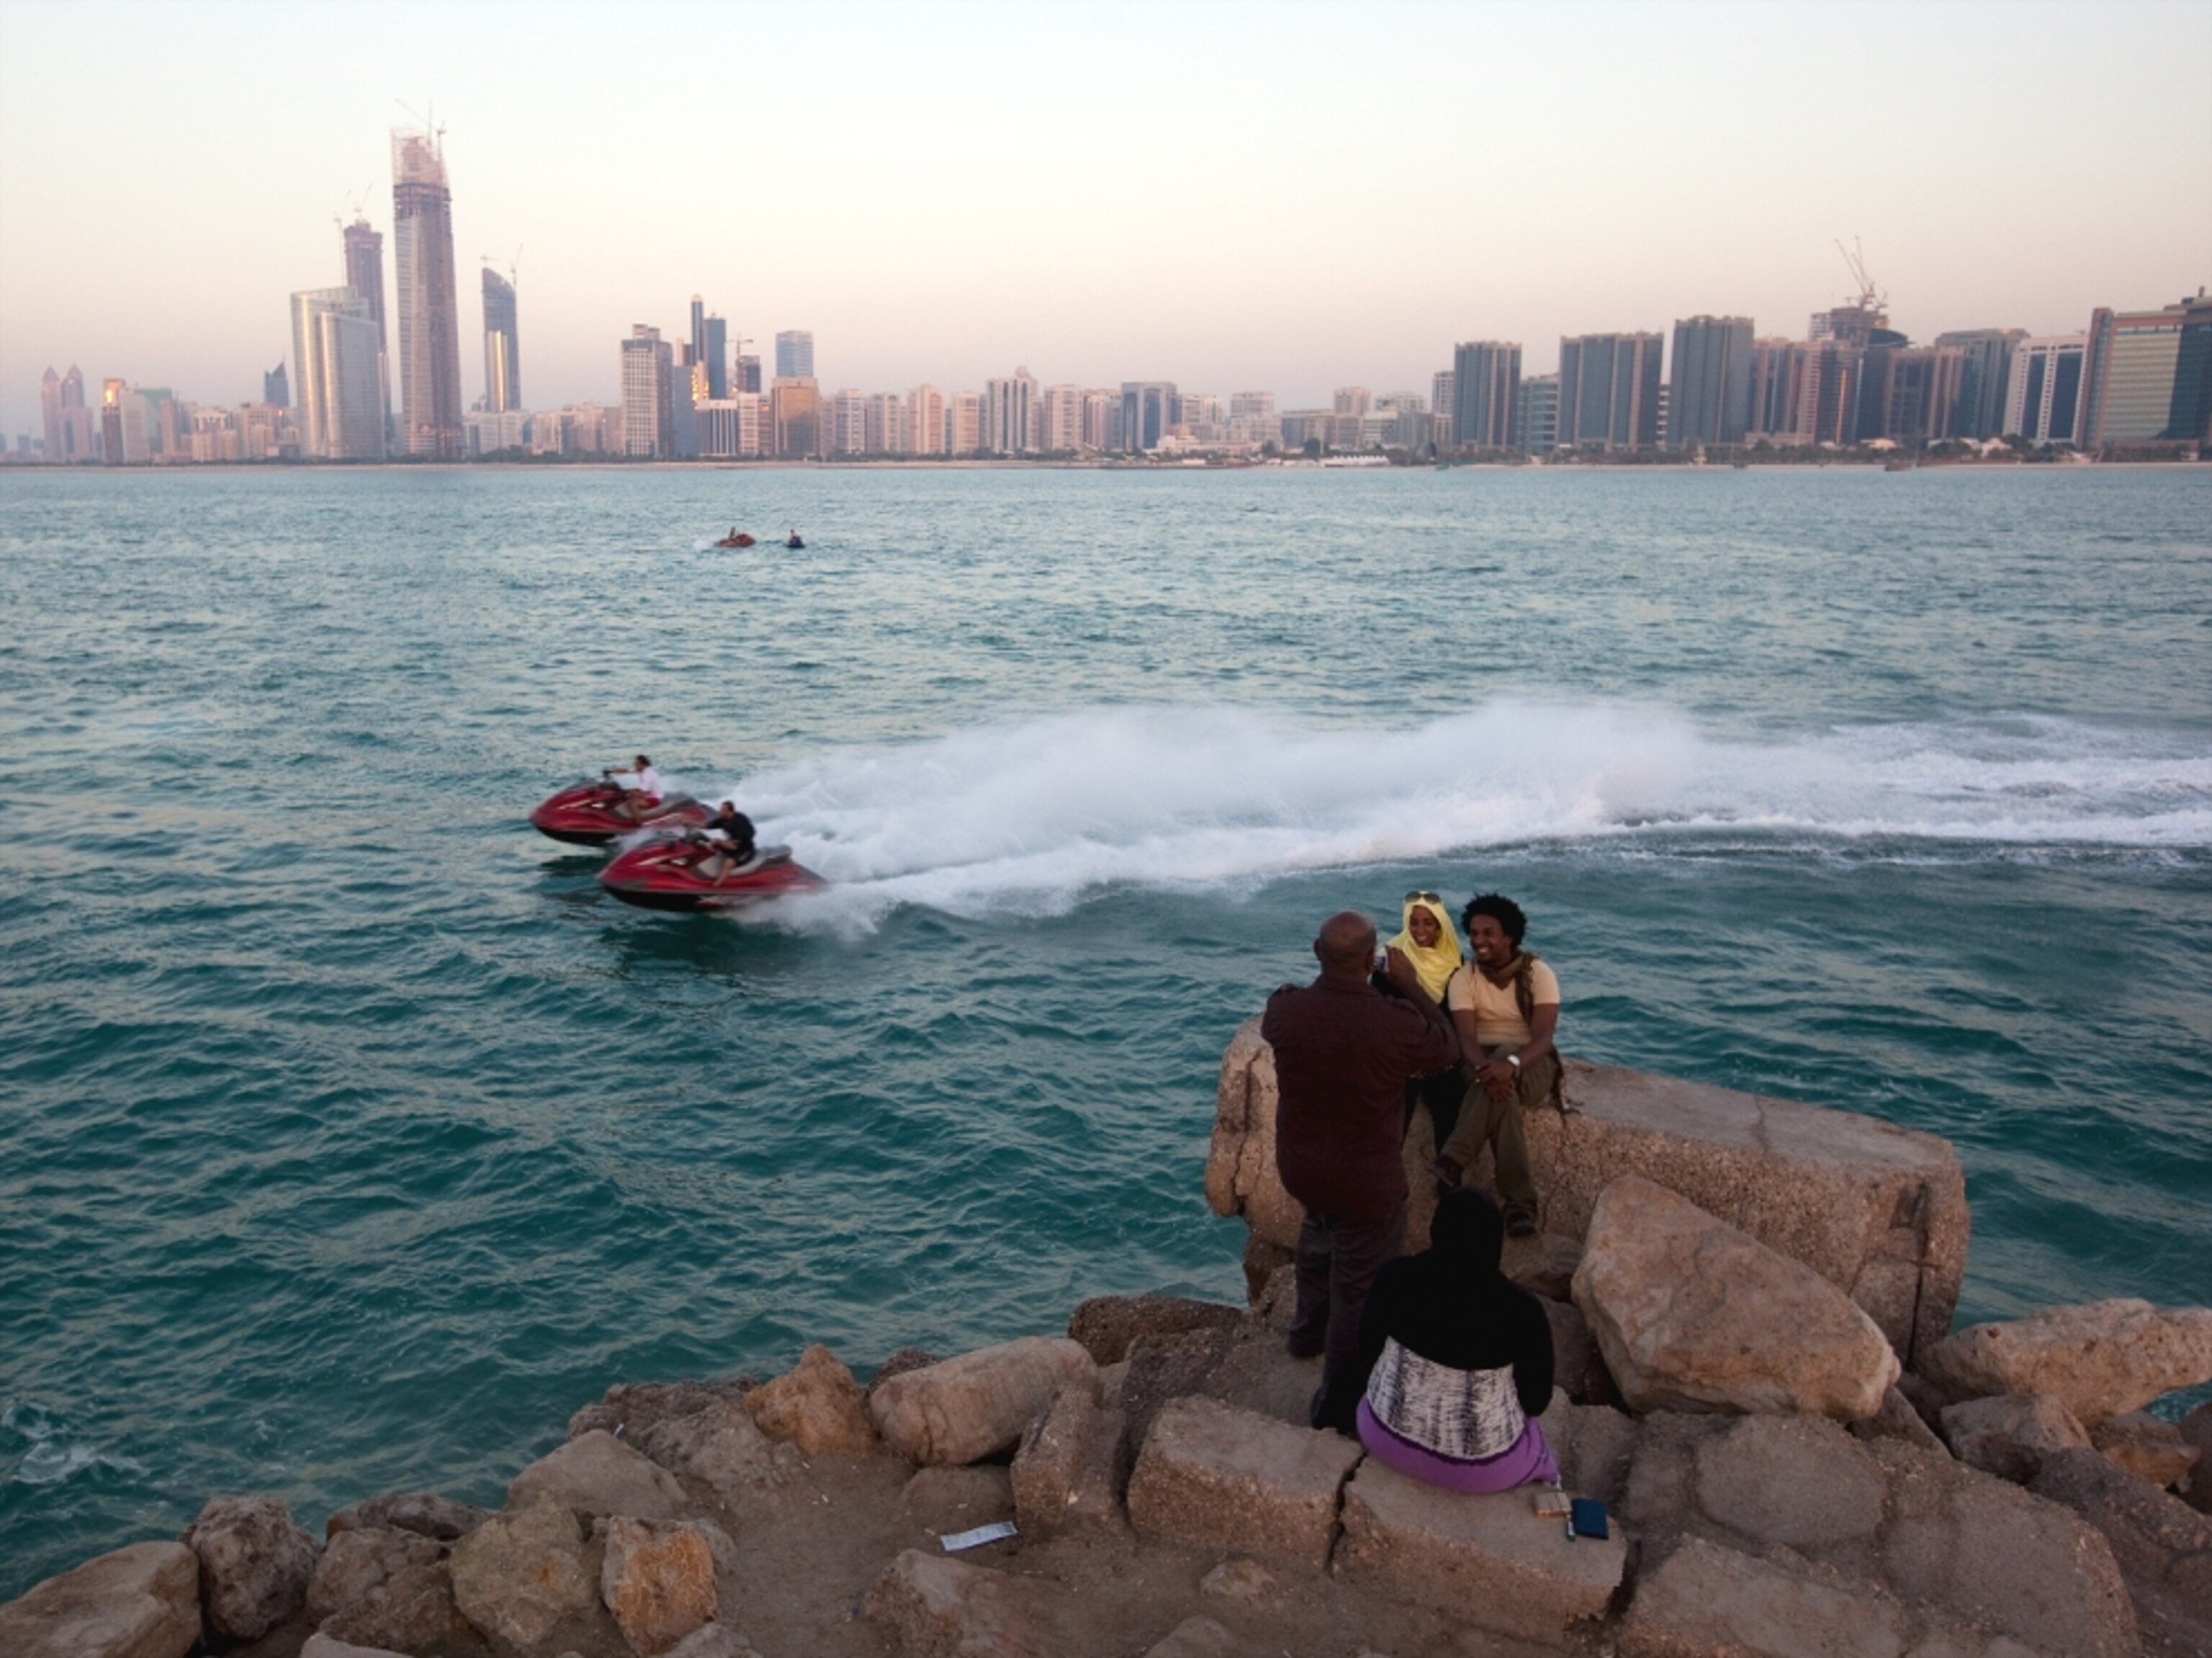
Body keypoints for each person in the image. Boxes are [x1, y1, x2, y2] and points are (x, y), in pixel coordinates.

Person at [1263, 910, 1459, 1435]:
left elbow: (1288, 1002)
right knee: (1358, 1288)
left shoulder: (1285, 1013)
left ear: (1315, 951)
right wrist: (1411, 987)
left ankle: (1305, 1333)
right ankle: (1335, 1406)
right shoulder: (1393, 1023)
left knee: (1318, 1232)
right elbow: (1447, 1046)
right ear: (1374, 960)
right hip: (1366, 1182)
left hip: (1301, 1168)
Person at [1351, 1188, 1559, 1492]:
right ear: (1496, 1244)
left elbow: (1368, 1353)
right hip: (1482, 1469)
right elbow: (1536, 1401)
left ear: (1435, 1230)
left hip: (1383, 1435)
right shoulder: (1522, 1311)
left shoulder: (1394, 1278)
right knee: (1538, 1445)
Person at [1435, 894, 1560, 1239]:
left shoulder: (1538, 973)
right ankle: (1520, 1209)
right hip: (1481, 1068)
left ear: (1509, 936)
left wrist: (1512, 1063)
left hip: (1532, 1064)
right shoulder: (1465, 977)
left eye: (1488, 933)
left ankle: (1453, 1157)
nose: (1478, 941)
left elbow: (1544, 1038)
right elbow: (1467, 1040)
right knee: (1501, 1100)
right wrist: (1489, 1070)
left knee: (1506, 1051)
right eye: (1474, 933)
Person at [1375, 892, 1467, 1150]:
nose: (1420, 930)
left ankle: (1447, 1186)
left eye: (1428, 923)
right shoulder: (1389, 958)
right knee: (1393, 1123)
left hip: (1437, 1054)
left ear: (1440, 925)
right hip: (1401, 1055)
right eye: (1414, 922)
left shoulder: (1454, 961)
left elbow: (1454, 1017)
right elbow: (1382, 1014)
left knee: (1450, 1109)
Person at [698, 801, 758, 884]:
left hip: (744, 850)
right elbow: (706, 826)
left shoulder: (738, 824)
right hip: (733, 845)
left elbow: (734, 846)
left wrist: (719, 842)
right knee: (711, 847)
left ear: (729, 811)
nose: (719, 811)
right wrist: (688, 821)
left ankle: (716, 887)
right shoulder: (724, 820)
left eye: (722, 810)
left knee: (729, 863)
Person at [608, 754, 665, 823]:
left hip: (655, 798)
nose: (635, 765)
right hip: (648, 795)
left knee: (634, 804)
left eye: (636, 764)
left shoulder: (647, 775)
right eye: (635, 764)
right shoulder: (641, 769)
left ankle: (639, 824)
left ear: (643, 765)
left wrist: (629, 792)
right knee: (628, 796)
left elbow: (642, 791)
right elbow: (625, 771)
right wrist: (611, 772)